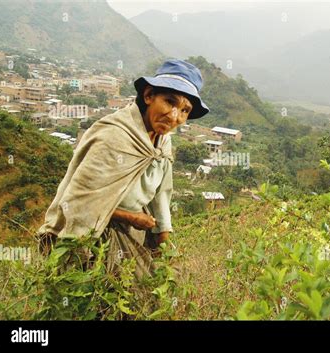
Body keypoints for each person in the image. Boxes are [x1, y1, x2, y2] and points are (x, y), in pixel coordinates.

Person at [36, 59, 209, 278]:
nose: (175, 116)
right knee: (106, 300)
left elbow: (161, 196)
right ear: (148, 96)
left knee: (167, 283)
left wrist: (166, 245)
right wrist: (130, 217)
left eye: (185, 110)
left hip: (135, 230)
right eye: (169, 102)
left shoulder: (163, 142)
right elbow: (79, 202)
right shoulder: (113, 137)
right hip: (97, 233)